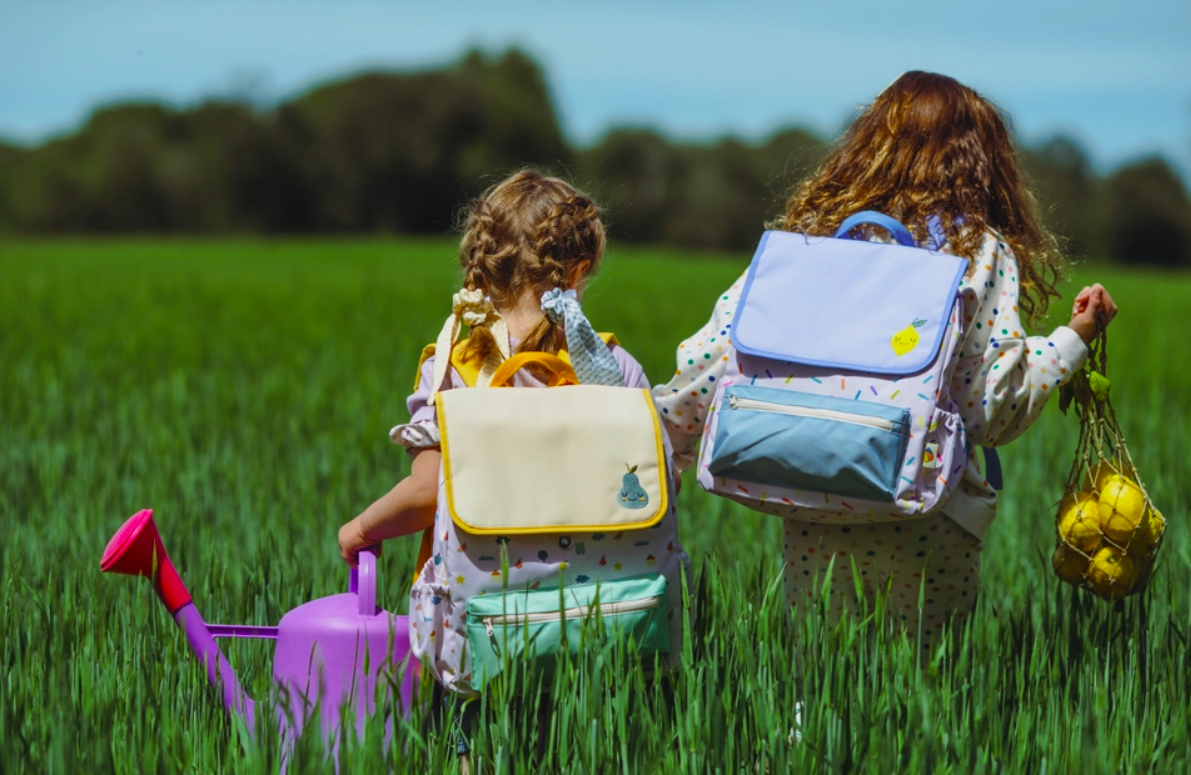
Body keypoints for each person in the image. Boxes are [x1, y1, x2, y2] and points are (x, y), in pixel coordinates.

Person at [654, 71, 1118, 650]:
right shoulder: (974, 250)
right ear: (982, 162)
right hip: (929, 515)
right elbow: (992, 410)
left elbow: (711, 358)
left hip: (814, 500)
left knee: (818, 688)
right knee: (919, 704)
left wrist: (654, 446)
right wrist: (1072, 340)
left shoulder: (809, 242)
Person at [337, 169, 654, 568]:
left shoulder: (453, 370)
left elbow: (426, 492)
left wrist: (363, 529)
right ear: (577, 272)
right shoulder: (613, 367)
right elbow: (659, 481)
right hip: (603, 606)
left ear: (481, 268)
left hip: (481, 608)